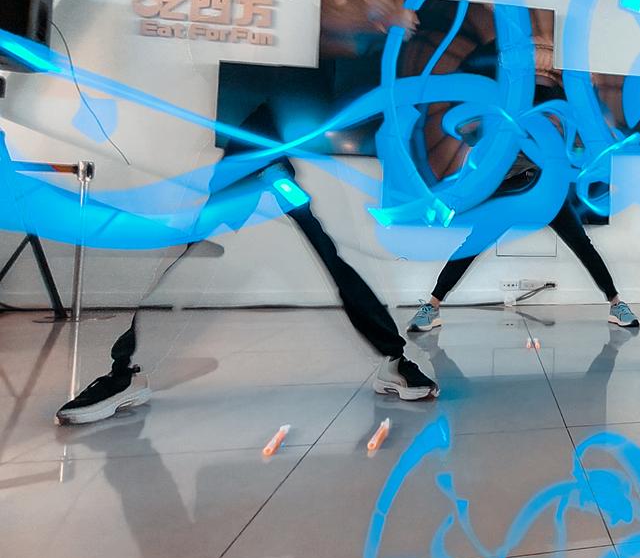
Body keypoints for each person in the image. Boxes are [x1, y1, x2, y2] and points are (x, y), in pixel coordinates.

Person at [56, 105, 438, 426]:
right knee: (198, 250)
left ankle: (394, 359)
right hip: (262, 140)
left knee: (322, 247)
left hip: (279, 141)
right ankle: (126, 371)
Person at [403, 16, 638, 333]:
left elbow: (581, 143)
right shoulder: (504, 106)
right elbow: (473, 134)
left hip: (546, 189)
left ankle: (616, 303)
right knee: (470, 246)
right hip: (507, 188)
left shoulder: (561, 108)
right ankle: (432, 306)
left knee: (582, 245)